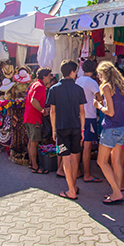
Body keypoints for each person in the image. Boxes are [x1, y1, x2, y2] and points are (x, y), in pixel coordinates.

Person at [94, 61, 124, 205]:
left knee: (102, 161)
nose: (99, 77)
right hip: (123, 128)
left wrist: (99, 106)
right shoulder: (123, 87)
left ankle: (116, 192)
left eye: (99, 74)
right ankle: (117, 190)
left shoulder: (106, 87)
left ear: (104, 74)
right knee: (116, 162)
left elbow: (110, 112)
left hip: (111, 128)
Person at [46, 61, 86, 200]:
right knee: (75, 157)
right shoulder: (79, 89)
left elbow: (53, 112)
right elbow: (82, 112)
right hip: (76, 127)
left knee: (66, 158)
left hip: (61, 128)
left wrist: (53, 130)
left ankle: (71, 190)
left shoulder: (54, 89)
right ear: (72, 72)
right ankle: (73, 186)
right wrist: (82, 130)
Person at [75, 60, 103, 183]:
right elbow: (100, 98)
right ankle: (87, 174)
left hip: (78, 116)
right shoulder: (92, 82)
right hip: (89, 116)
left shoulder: (78, 80)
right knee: (87, 146)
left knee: (78, 144)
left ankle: (77, 171)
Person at [25, 68, 52, 174]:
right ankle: (35, 167)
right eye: (49, 75)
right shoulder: (40, 86)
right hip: (34, 118)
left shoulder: (35, 84)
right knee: (34, 142)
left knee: (31, 141)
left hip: (29, 116)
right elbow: (34, 100)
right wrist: (42, 110)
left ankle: (32, 163)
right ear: (44, 77)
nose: (50, 78)